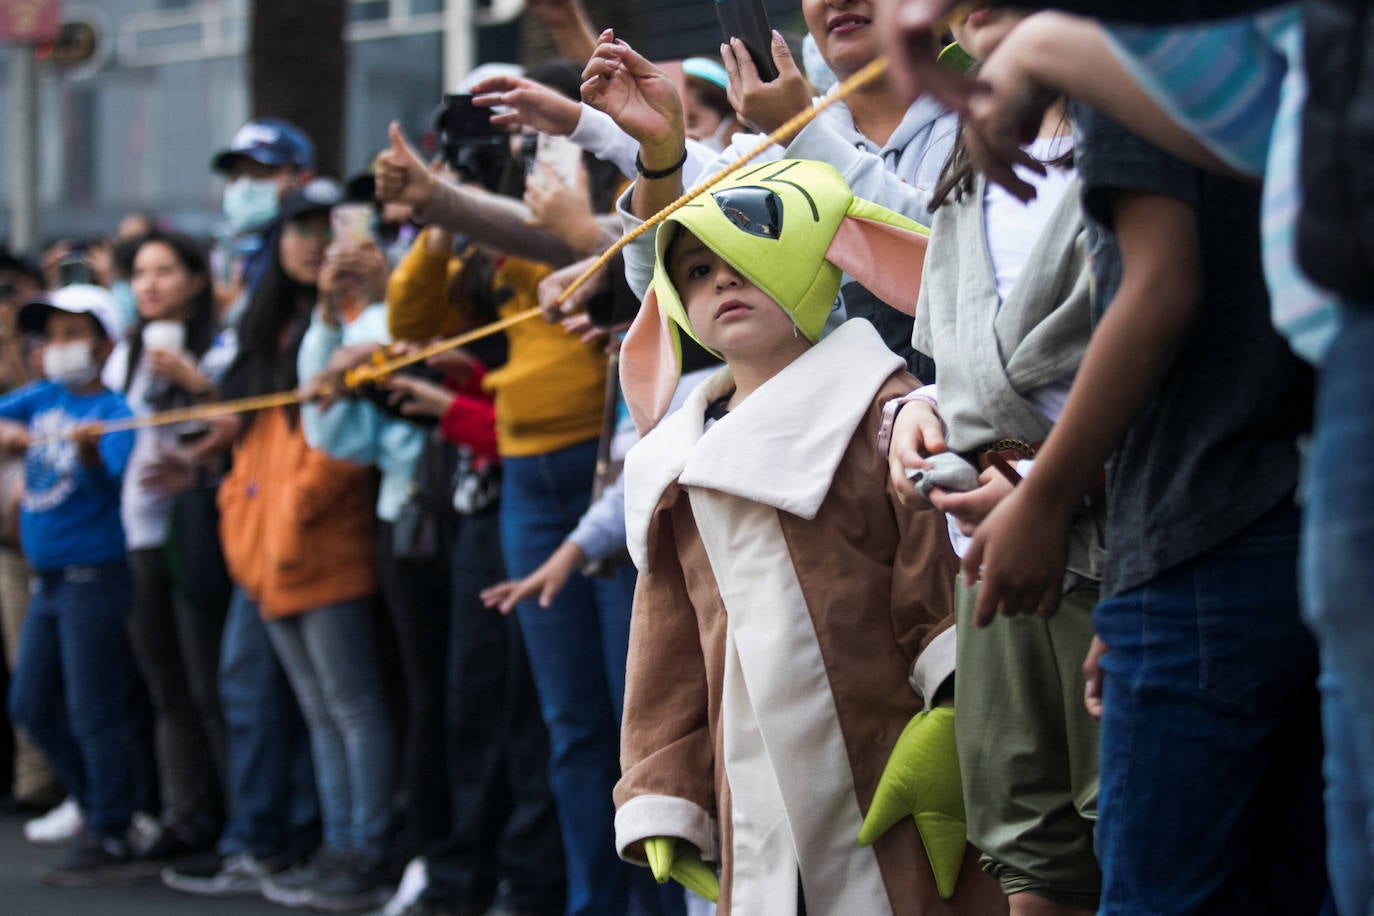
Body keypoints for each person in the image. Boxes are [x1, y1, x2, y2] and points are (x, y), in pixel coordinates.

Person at [958, 87, 1324, 916]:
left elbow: (1158, 287)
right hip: (1268, 523)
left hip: (1208, 537)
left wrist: (1045, 499)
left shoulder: (1132, 54)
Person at [612, 158, 1006, 915]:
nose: (722, 282)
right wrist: (662, 784)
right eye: (697, 270)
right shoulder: (674, 465)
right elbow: (666, 642)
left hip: (887, 752)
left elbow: (935, 573)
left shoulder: (885, 411)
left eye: (746, 259)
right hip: (749, 781)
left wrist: (955, 712)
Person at [882, 13, 1101, 915]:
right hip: (991, 562)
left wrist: (1037, 482)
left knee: (1133, 820)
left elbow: (1184, 348)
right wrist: (918, 407)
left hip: (1117, 549)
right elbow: (960, 357)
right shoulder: (973, 154)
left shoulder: (1135, 129)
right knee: (1024, 834)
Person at [1, 285, 138, 884]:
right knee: (28, 702)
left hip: (94, 575)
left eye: (72, 335)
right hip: (48, 579)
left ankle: (111, 828)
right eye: (50, 337)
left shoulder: (114, 411)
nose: (58, 348)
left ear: (106, 343)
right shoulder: (42, 398)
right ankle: (95, 803)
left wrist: (85, 459)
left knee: (92, 709)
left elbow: (109, 482)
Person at [210, 117, 316, 315]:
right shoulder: (232, 248)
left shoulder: (317, 246)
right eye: (236, 174)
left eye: (261, 171)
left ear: (303, 178)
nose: (245, 186)